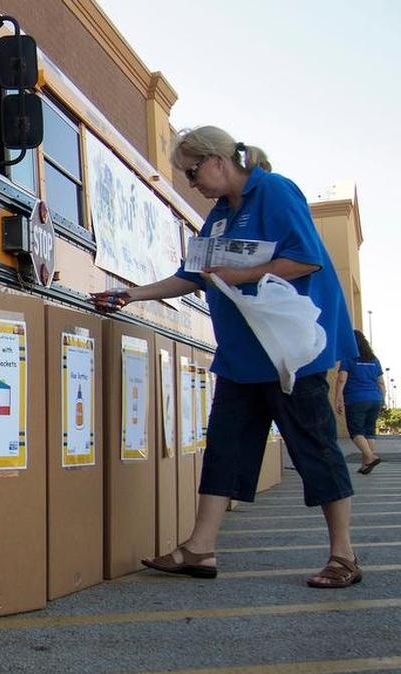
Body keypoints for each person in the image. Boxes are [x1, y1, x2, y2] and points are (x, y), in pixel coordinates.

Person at [91, 126, 361, 588]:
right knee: (224, 448)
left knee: (313, 447)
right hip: (241, 356)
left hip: (287, 354)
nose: (192, 184)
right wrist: (131, 294)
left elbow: (307, 259)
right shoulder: (217, 217)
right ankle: (200, 548)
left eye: (193, 173)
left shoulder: (273, 191)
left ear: (218, 160)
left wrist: (244, 273)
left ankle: (344, 556)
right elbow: (192, 275)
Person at [336, 329, 385, 474]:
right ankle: (366, 465)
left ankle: (370, 456)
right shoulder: (374, 359)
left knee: (356, 431)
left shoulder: (348, 358)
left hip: (356, 399)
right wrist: (382, 400)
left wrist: (337, 398)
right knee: (369, 431)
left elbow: (341, 379)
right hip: (375, 399)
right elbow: (381, 383)